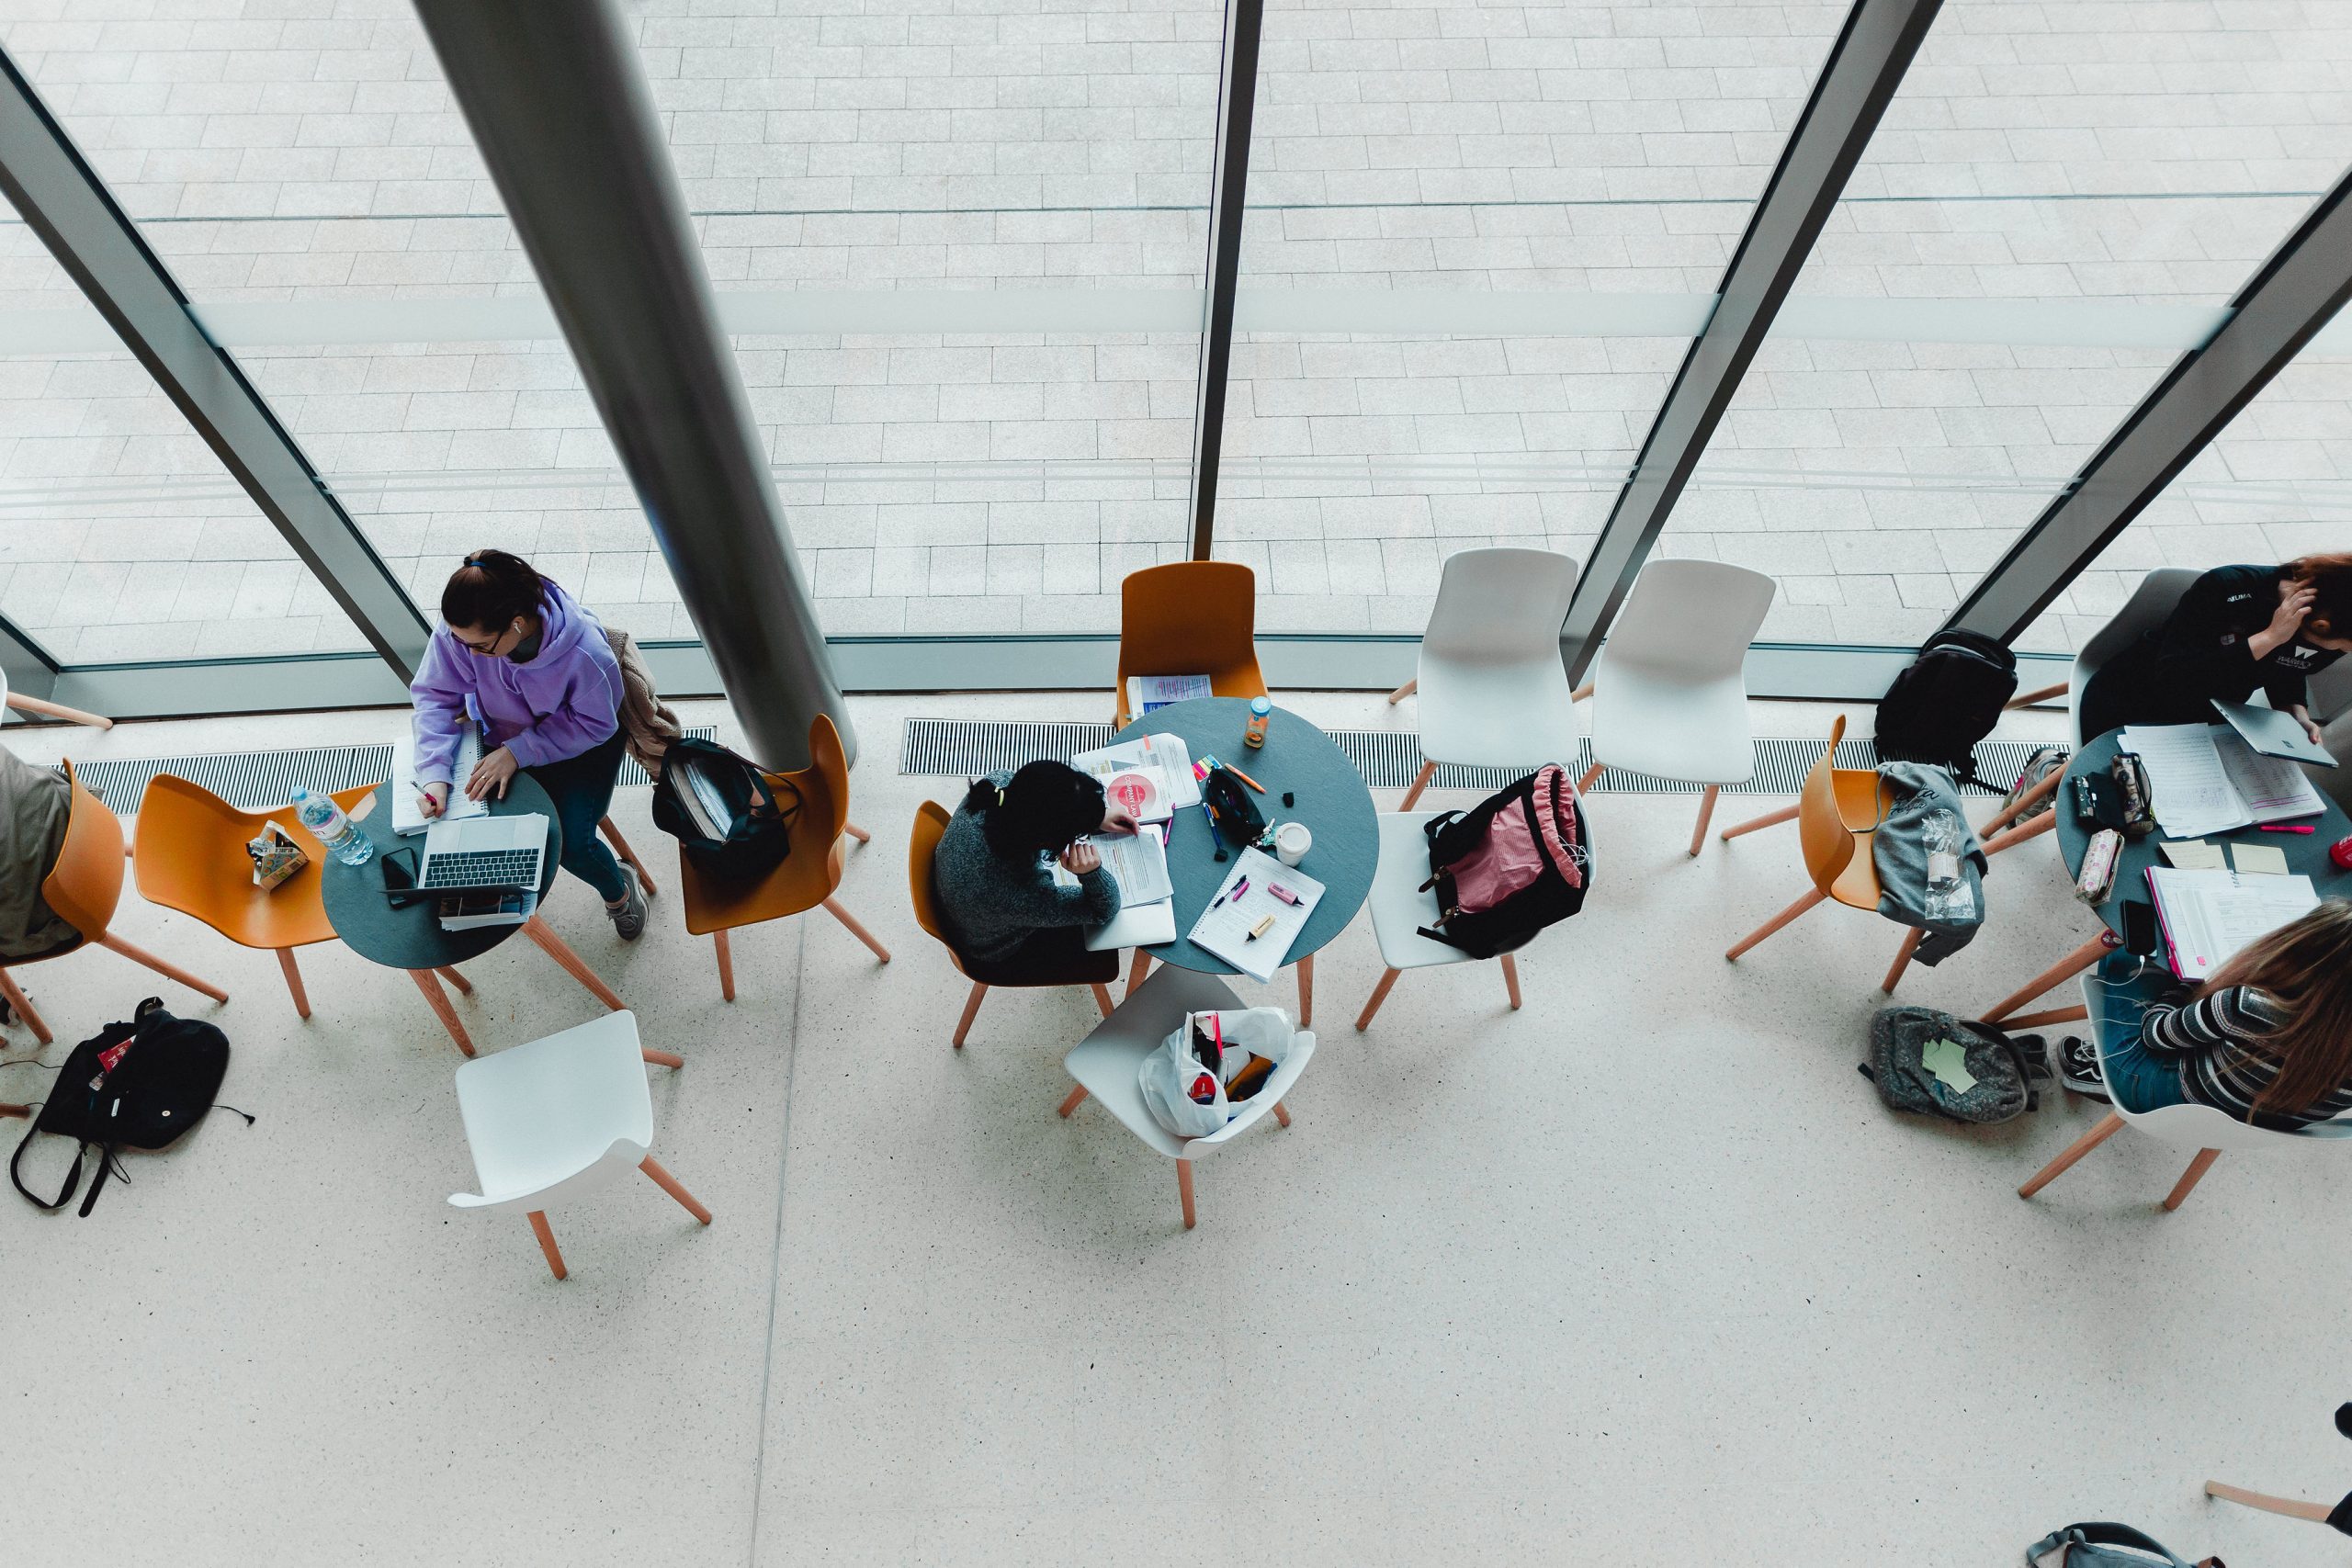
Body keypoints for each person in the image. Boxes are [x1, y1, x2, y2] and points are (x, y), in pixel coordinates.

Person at [409, 549, 646, 939]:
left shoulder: (586, 655)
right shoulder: (466, 631)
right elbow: (435, 695)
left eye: (480, 647)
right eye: (458, 640)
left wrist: (519, 751)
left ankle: (619, 893)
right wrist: (434, 773)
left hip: (580, 743)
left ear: (517, 625)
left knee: (571, 844)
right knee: (468, 824)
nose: (467, 654)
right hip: (502, 734)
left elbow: (596, 725)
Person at [2083, 900, 2352, 1129]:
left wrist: (2187, 988)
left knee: (2126, 950)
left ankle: (2098, 1072)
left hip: (2160, 1095)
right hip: (2252, 1126)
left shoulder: (2245, 1006)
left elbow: (2154, 1034)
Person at [2078, 555, 2352, 743]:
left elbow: (2289, 668)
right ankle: (2050, 767)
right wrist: (2268, 638)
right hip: (2135, 697)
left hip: (2216, 714)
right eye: (2346, 647)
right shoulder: (2227, 587)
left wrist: (2295, 712)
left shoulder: (2334, 629)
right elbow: (2174, 676)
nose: (2346, 652)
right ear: (2320, 626)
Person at [932, 760, 1137, 973]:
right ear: (1048, 842)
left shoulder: (997, 784)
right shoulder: (1020, 896)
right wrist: (1092, 874)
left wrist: (1093, 815)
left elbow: (1046, 801)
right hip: (992, 949)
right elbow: (1105, 909)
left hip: (958, 889)